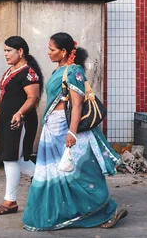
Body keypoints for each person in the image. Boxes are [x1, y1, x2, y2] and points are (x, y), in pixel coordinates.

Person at [22, 32, 127, 231]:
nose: (48, 52)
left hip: (65, 130)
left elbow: (77, 104)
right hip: (52, 131)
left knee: (80, 172)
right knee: (54, 174)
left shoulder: (73, 72)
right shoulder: (58, 71)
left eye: (52, 49)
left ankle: (106, 211)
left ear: (63, 52)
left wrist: (72, 133)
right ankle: (59, 214)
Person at [0, 36, 44, 216]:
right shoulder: (11, 71)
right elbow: (4, 98)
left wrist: (20, 113)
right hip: (8, 120)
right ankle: (47, 180)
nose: (5, 54)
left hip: (20, 122)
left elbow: (33, 98)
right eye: (4, 51)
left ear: (21, 51)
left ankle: (10, 202)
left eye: (9, 50)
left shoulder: (29, 73)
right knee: (18, 160)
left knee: (11, 159)